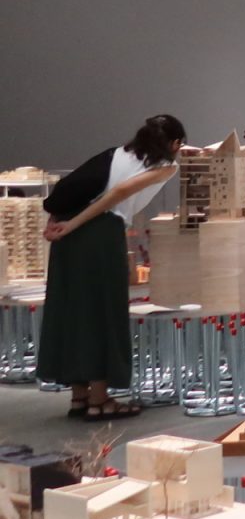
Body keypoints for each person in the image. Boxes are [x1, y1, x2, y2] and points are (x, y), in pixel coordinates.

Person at [37, 114, 188, 419]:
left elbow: (72, 187)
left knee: (73, 310)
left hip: (69, 234)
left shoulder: (117, 153)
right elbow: (117, 194)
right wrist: (73, 225)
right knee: (102, 311)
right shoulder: (165, 167)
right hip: (100, 233)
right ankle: (100, 400)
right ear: (174, 144)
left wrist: (59, 223)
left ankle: (79, 397)